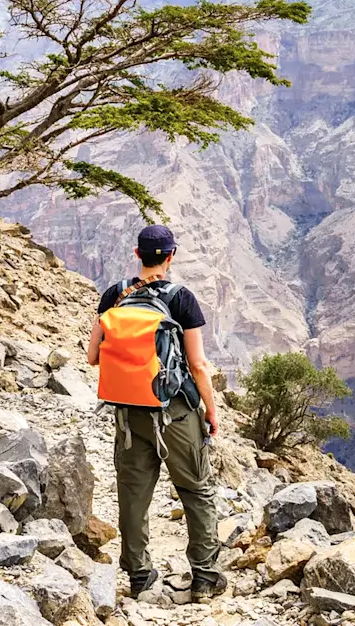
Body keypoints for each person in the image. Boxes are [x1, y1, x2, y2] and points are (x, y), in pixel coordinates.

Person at [87, 224, 226, 601]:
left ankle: (139, 577)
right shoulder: (182, 299)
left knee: (133, 496)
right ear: (171, 256)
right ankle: (204, 578)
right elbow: (198, 365)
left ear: (137, 254)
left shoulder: (115, 295)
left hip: (131, 415)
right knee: (196, 491)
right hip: (177, 413)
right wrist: (211, 412)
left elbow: (93, 356)